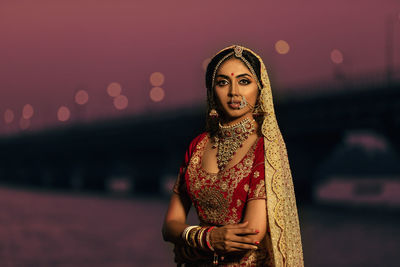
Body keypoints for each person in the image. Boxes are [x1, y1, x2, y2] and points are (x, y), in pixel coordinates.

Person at [162, 45, 304, 266]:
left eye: (244, 81)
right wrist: (209, 239)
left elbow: (251, 235)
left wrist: (188, 248)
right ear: (212, 91)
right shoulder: (197, 146)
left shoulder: (264, 149)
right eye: (223, 82)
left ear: (260, 89)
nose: (234, 92)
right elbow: (170, 225)